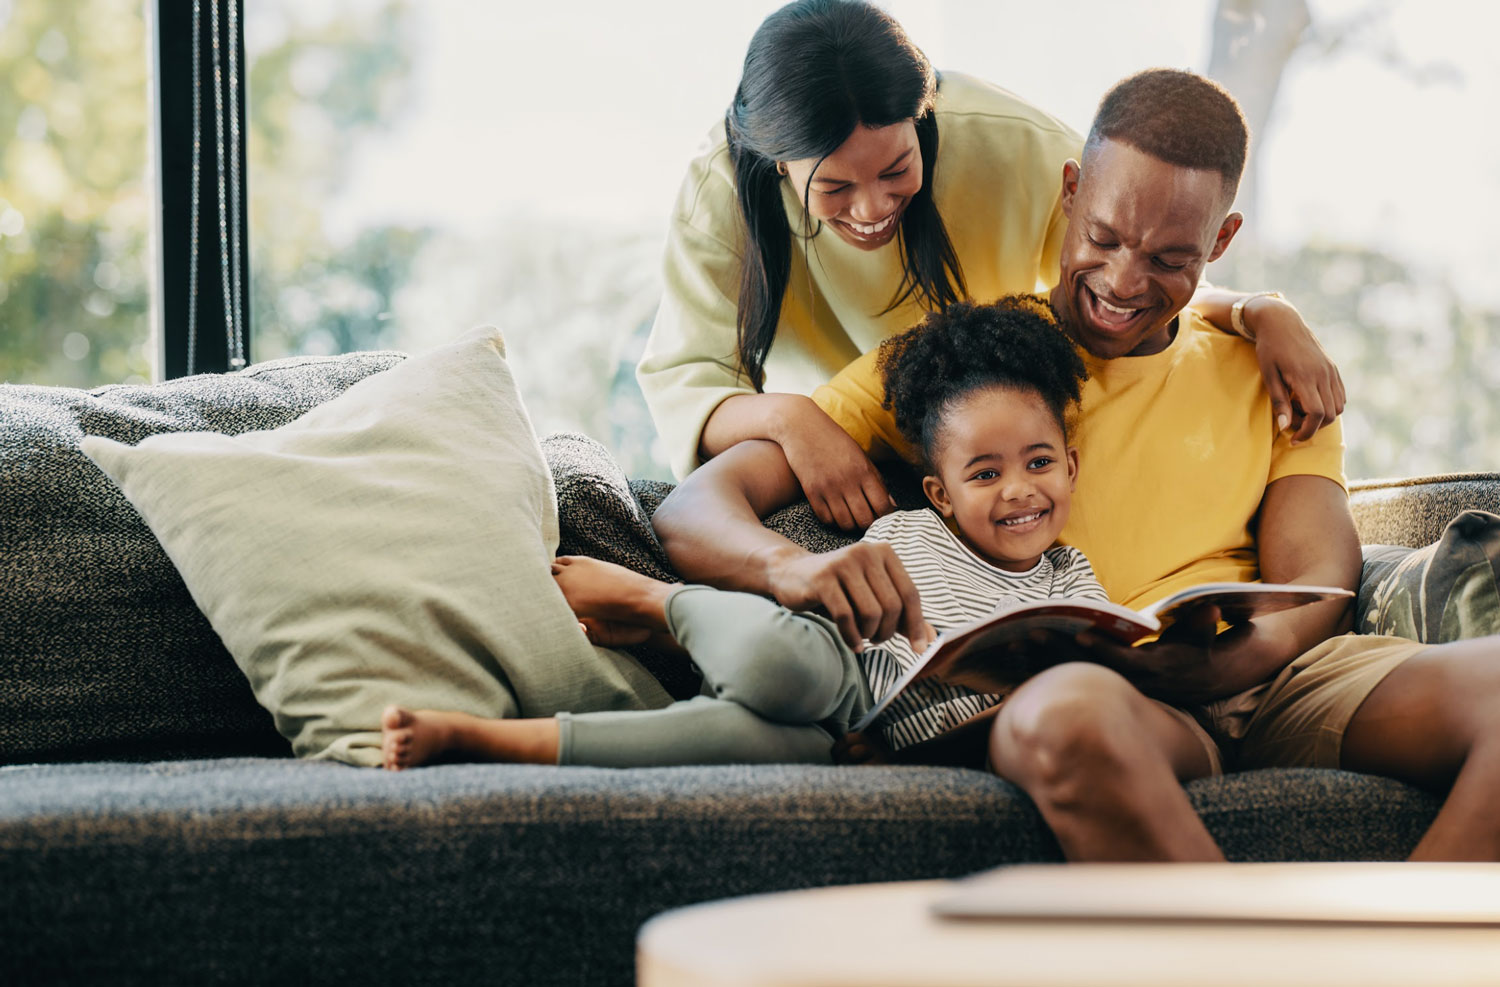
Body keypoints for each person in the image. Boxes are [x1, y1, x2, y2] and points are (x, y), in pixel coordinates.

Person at [652, 68, 1500, 861]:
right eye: (1102, 238)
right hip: (1115, 699)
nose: (1125, 282)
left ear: (1224, 239)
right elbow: (693, 509)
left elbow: (1316, 572)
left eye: (1172, 259)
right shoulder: (968, 366)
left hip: (1277, 675)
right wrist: (791, 567)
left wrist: (1255, 648)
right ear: (1069, 192)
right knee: (1057, 717)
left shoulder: (1264, 367)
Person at [637, 0, 1345, 533]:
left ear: (925, 114)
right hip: (844, 433)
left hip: (988, 447)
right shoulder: (723, 188)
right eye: (834, 189)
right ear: (776, 165)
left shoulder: (1015, 146)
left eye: (896, 170)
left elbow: (1130, 279)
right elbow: (688, 379)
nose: (872, 208)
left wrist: (1261, 311)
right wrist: (795, 421)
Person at [381, 296, 1107, 769]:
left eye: (1038, 462)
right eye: (984, 474)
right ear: (940, 495)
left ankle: (478, 739)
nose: (1018, 489)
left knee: (746, 745)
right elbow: (822, 625)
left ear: (1070, 468)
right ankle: (656, 604)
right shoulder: (907, 536)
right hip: (835, 676)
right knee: (790, 669)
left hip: (852, 741)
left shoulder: (1071, 579)